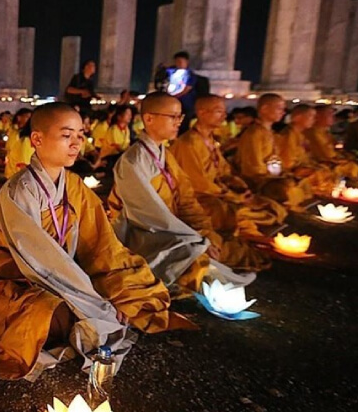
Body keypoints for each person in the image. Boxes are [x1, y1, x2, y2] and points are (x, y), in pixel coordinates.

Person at [0, 103, 192, 381]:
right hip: (18, 279)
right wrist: (96, 302)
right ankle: (86, 315)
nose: (76, 144)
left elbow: (101, 243)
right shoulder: (18, 191)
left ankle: (90, 313)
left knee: (132, 287)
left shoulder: (74, 185)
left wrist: (109, 287)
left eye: (80, 135)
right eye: (66, 135)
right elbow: (41, 262)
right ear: (37, 139)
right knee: (51, 316)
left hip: (67, 274)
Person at [108, 93, 258, 295]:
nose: (179, 122)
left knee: (222, 245)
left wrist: (202, 231)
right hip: (143, 233)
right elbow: (150, 217)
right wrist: (195, 238)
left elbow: (186, 197)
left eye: (180, 117)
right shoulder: (133, 162)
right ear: (149, 119)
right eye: (173, 116)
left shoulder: (165, 154)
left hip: (172, 226)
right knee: (194, 255)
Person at [170, 95, 287, 240]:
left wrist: (239, 186)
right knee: (231, 211)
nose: (224, 116)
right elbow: (198, 184)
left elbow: (224, 171)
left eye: (224, 112)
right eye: (219, 111)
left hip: (220, 192)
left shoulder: (210, 140)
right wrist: (231, 195)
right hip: (202, 197)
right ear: (201, 112)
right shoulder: (188, 144)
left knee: (269, 206)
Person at [235, 94, 314, 210]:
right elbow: (253, 166)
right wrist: (272, 177)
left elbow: (276, 159)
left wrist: (283, 173)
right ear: (264, 109)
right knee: (286, 187)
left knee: (299, 181)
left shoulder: (269, 132)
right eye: (279, 108)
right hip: (257, 179)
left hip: (272, 176)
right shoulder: (254, 133)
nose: (283, 112)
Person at [277, 104, 344, 196]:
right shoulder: (289, 135)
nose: (314, 119)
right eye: (311, 116)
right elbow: (288, 162)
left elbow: (307, 156)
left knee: (325, 170)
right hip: (292, 171)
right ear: (298, 117)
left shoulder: (300, 134)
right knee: (321, 174)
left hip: (304, 166)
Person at [303, 104, 358, 182]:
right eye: (329, 114)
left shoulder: (324, 132)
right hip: (324, 165)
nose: (333, 117)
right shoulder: (313, 133)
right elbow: (327, 155)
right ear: (317, 116)